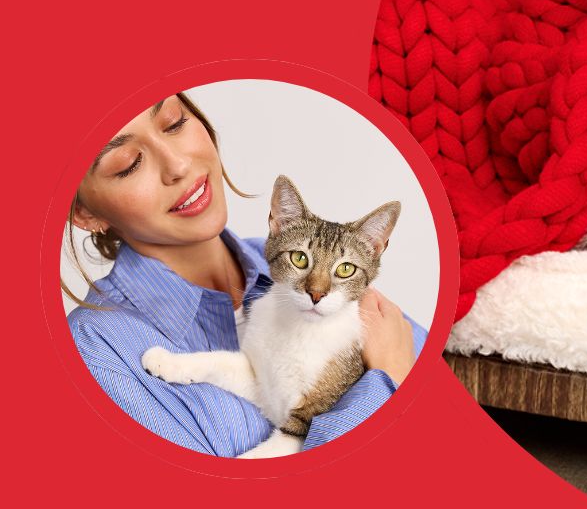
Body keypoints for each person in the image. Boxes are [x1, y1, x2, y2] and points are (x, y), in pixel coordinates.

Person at [64, 92, 426, 456]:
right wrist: (391, 378)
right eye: (128, 163)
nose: (177, 165)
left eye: (175, 122)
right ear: (85, 213)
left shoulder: (325, 283)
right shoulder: (96, 352)